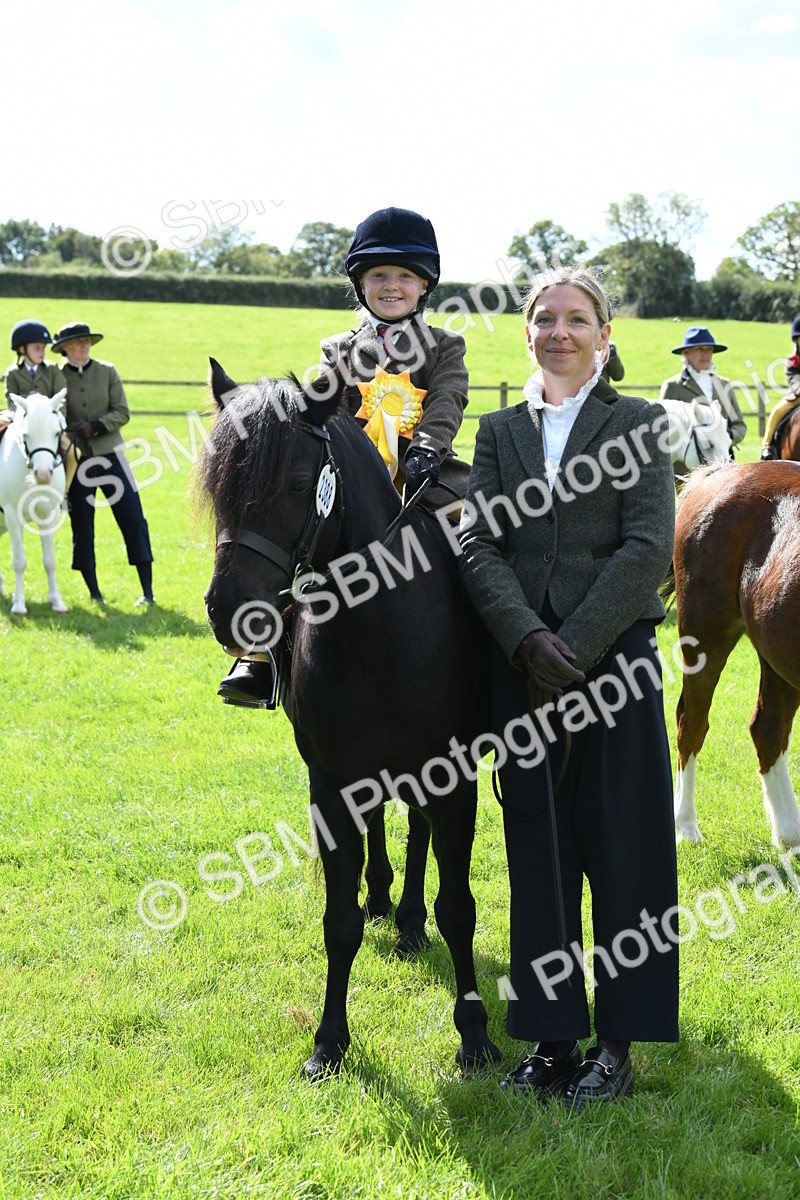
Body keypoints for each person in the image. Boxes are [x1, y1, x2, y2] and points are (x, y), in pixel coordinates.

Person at [459, 265, 679, 1108]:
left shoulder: (640, 423)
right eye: (544, 318)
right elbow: (478, 544)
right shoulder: (498, 430)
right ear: (526, 331)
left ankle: (616, 1047)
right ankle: (552, 1040)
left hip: (612, 667)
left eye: (576, 318)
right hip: (520, 672)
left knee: (625, 852)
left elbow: (647, 547)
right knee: (538, 857)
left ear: (605, 335)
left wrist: (573, 646)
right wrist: (524, 637)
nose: (559, 331)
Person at [218, 206, 470, 707]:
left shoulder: (445, 345)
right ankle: (263, 659)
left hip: (429, 475)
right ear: (361, 284)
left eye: (405, 276)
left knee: (479, 540)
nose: (391, 286)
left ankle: (494, 654)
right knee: (296, 543)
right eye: (379, 275)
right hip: (350, 479)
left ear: (425, 286)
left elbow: (448, 400)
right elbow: (321, 410)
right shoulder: (338, 348)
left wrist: (426, 449)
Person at [51, 321, 155, 607]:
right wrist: (73, 430)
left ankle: (148, 592)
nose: (85, 345)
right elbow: (55, 417)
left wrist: (96, 426)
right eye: (78, 342)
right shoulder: (57, 378)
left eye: (87, 341)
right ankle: (95, 594)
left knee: (133, 518)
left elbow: (122, 412)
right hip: (78, 461)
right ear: (65, 348)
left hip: (111, 455)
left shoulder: (107, 371)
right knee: (82, 523)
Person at [659, 326, 747, 473]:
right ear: (686, 353)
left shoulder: (724, 385)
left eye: (709, 349)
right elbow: (663, 428)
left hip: (723, 466)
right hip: (686, 470)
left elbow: (739, 426)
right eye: (700, 349)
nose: (706, 354)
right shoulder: (672, 386)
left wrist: (724, 437)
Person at [760, 313, 800, 459]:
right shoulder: (792, 361)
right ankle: (767, 446)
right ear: (796, 341)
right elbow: (793, 378)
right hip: (797, 395)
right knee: (777, 411)